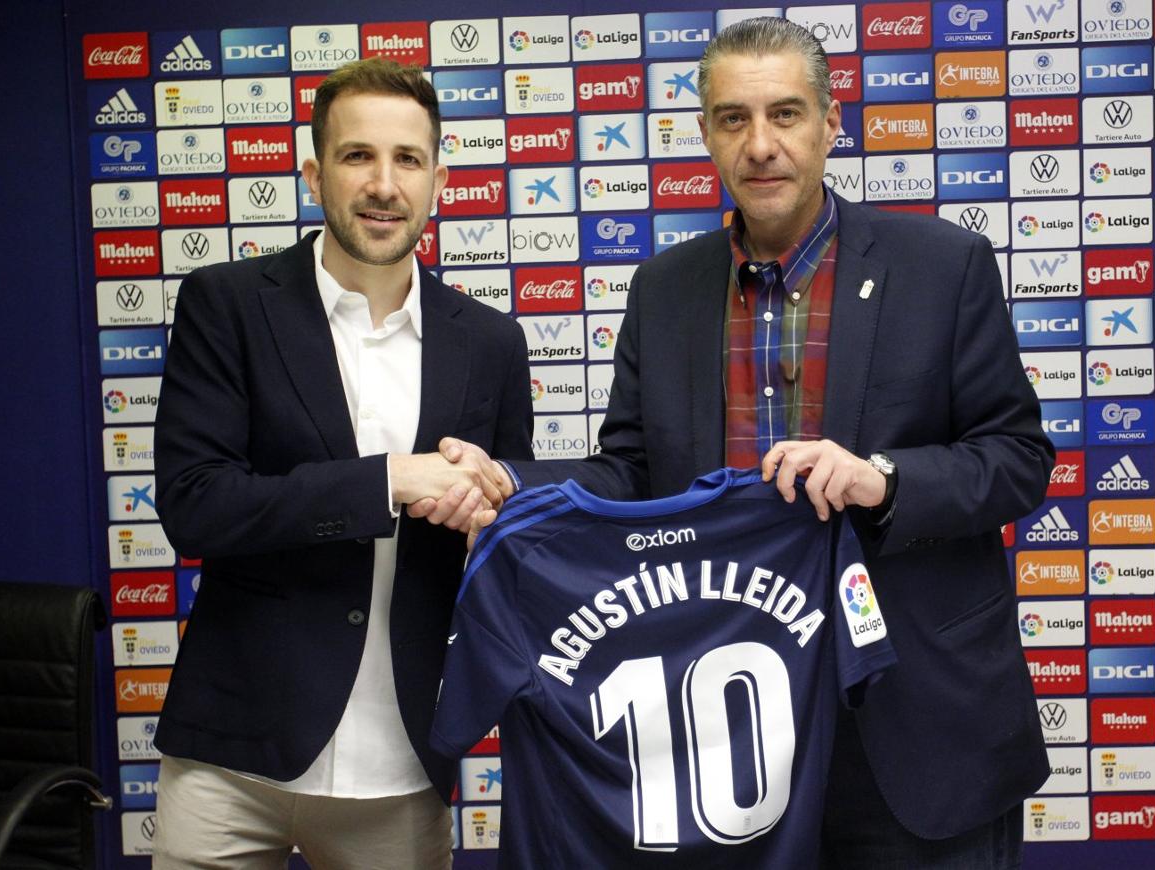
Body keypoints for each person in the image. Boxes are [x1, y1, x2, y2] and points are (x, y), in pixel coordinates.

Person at [439, 17, 1053, 869]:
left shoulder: (944, 267)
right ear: (706, 135)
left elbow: (1018, 461)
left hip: (917, 722)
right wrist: (509, 479)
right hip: (728, 739)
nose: (761, 144)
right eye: (734, 118)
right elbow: (631, 471)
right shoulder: (664, 289)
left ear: (832, 123)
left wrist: (880, 478)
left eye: (786, 115)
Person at [150, 58, 531, 868]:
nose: (384, 184)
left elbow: (509, 547)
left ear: (438, 178)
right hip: (232, 756)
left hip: (402, 765)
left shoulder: (492, 343)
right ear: (314, 172)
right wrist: (390, 480)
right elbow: (195, 504)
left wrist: (490, 512)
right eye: (358, 156)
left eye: (408, 159)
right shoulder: (227, 305)